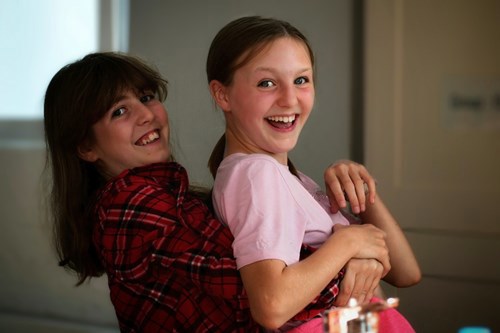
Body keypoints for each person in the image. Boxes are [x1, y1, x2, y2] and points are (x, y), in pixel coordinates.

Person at [43, 52, 381, 332]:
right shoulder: (129, 206)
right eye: (119, 111)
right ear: (86, 146)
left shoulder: (176, 197)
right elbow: (260, 296)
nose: (146, 114)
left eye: (146, 97)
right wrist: (347, 248)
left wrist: (354, 250)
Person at [207, 16, 421, 331]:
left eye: (301, 80)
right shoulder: (257, 173)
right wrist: (348, 243)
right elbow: (271, 305)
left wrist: (362, 189)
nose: (289, 99)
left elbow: (406, 273)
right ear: (222, 94)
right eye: (267, 83)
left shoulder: (290, 179)